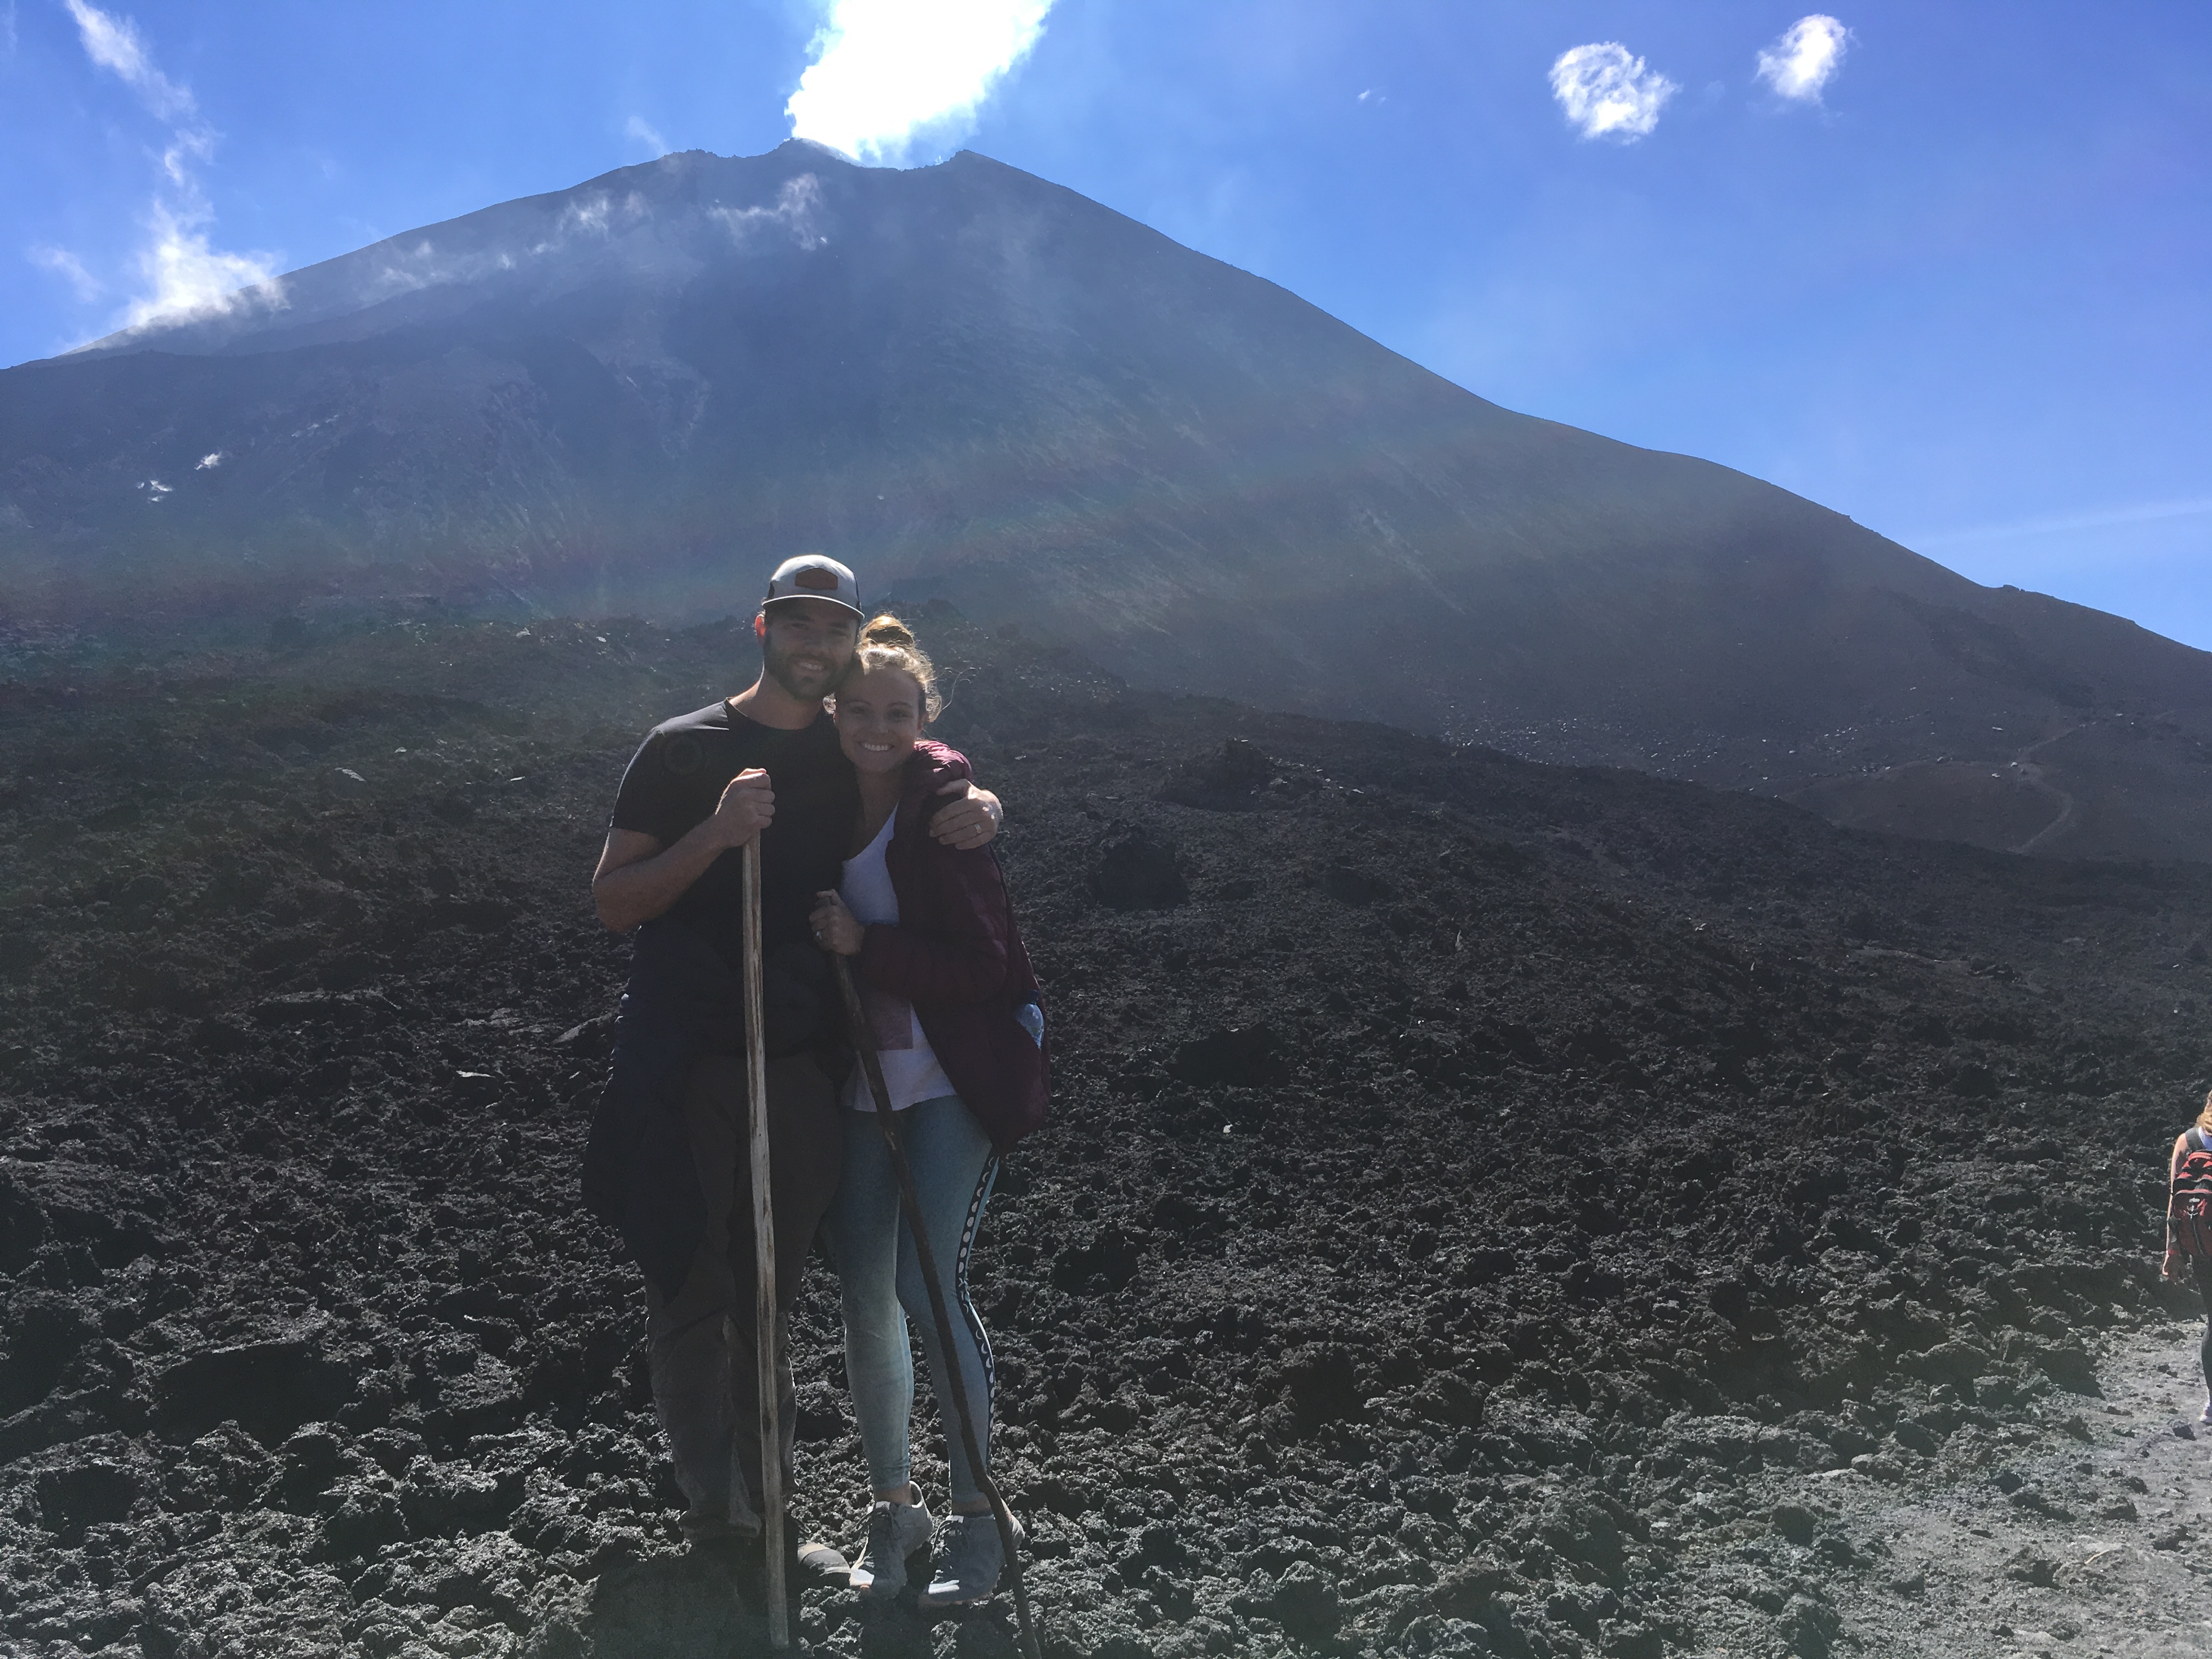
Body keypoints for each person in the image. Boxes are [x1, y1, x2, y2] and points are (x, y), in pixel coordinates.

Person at [580, 557, 1004, 1576]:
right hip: (688, 1061)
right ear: (760, 626)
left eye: (833, 626)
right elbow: (612, 898)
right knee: (693, 1278)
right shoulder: (682, 750)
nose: (814, 643)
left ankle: (772, 1512)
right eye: (796, 622)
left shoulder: (839, 741)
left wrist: (979, 799)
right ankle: (722, 1520)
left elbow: (917, 756)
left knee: (772, 1287)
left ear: (849, 637)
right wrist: (717, 833)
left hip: (808, 1065)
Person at [807, 616, 1048, 1607]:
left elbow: (986, 965)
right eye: (858, 709)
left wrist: (867, 947)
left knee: (923, 1282)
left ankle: (981, 1517)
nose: (876, 727)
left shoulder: (941, 807)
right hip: (864, 1081)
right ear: (832, 712)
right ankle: (893, 1505)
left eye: (896, 712)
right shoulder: (814, 805)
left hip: (953, 1072)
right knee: (864, 1289)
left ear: (924, 716)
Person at [2160, 1087, 2212, 1426]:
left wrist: (2172, 1252)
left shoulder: (2189, 1140)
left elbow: (2174, 1202)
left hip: (2205, 1250)